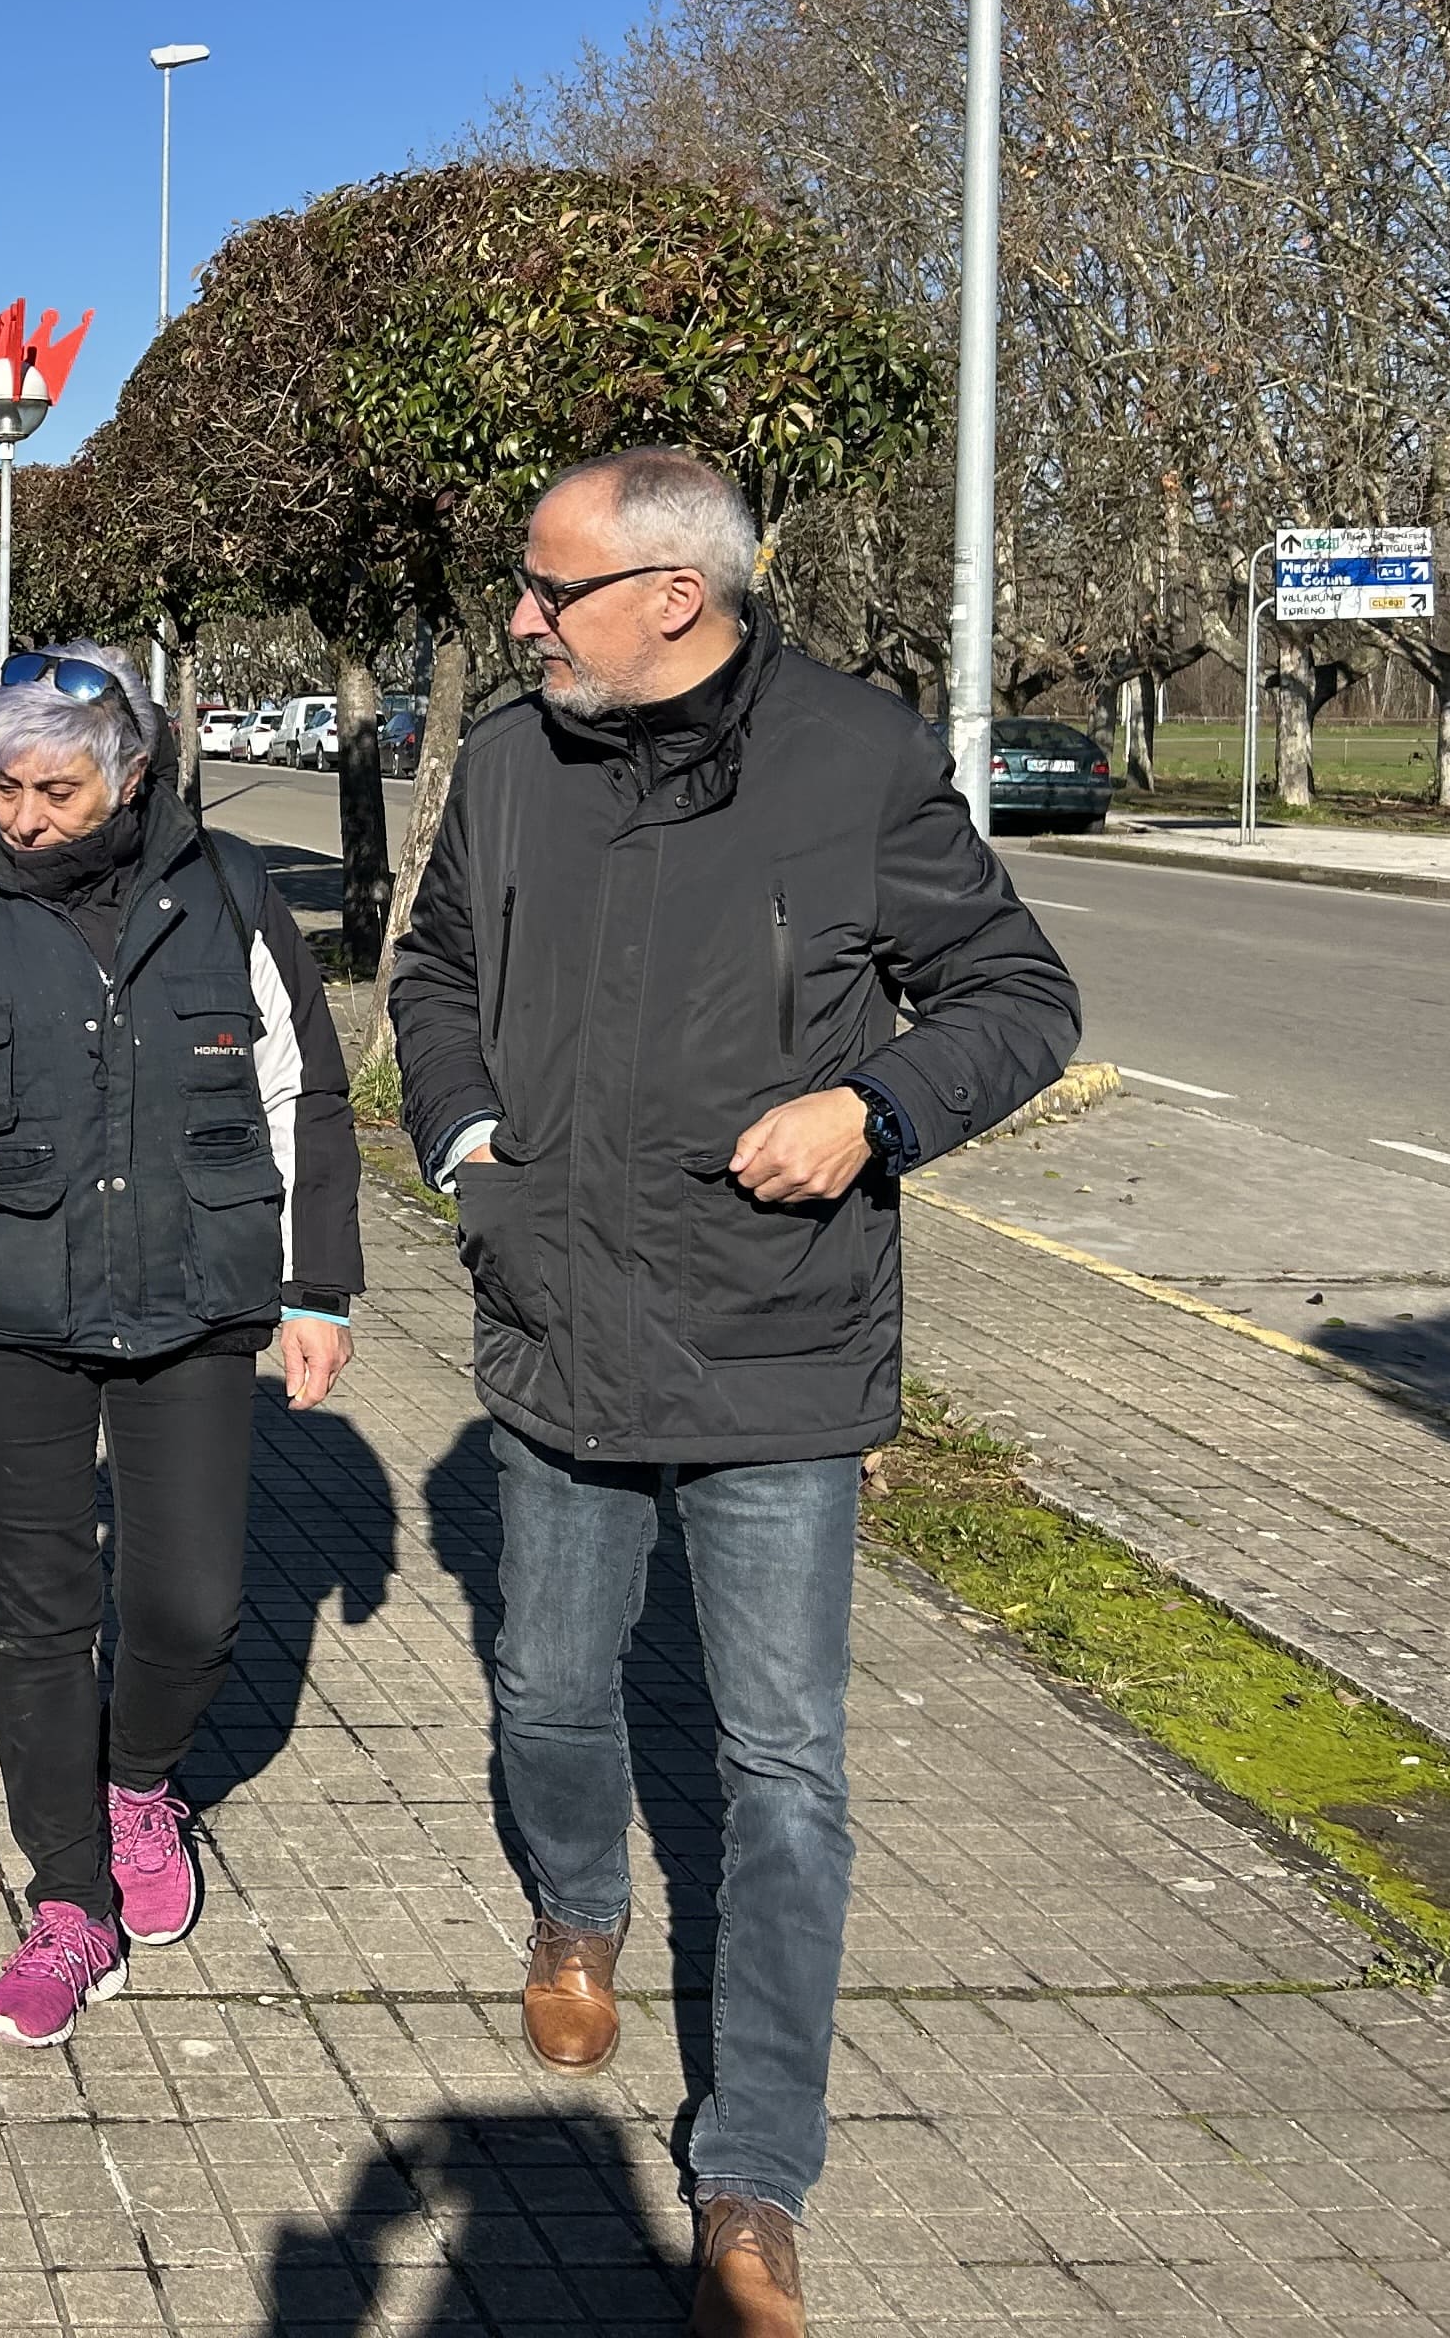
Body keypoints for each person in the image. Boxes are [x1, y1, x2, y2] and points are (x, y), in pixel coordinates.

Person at [387, 449, 1078, 2338]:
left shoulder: (855, 759)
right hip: (554, 1314)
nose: (518, 618)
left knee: (781, 1763)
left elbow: (1019, 995)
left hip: (777, 1340)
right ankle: (576, 1900)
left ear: (673, 594)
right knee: (544, 1680)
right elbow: (433, 963)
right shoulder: (515, 758)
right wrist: (466, 1148)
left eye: (550, 588)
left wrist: (875, 1108)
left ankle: (755, 2176)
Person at [0, 643, 361, 2047]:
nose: (24, 813)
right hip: (10, 1298)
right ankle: (67, 1904)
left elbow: (309, 1093)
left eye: (55, 787)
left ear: (128, 776)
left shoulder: (232, 890)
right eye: (4, 785)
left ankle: (142, 1786)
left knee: (194, 1603)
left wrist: (321, 1294)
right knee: (43, 1616)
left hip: (196, 1296)